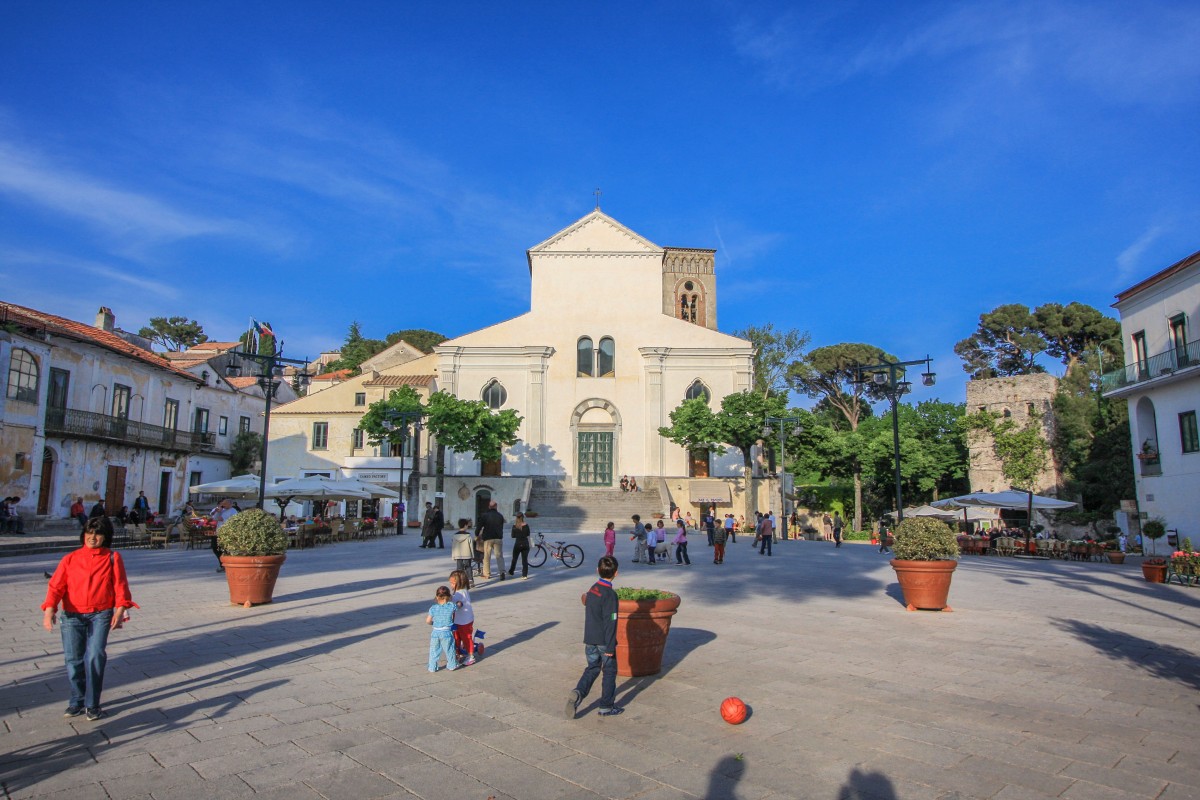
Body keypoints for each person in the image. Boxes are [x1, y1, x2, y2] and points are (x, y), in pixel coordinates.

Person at [41, 516, 138, 721]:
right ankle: (76, 699)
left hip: (100, 614)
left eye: (98, 533)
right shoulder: (71, 558)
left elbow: (120, 585)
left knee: (95, 656)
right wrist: (50, 609)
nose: (92, 537)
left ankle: (92, 703)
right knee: (73, 659)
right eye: (89, 533)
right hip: (72, 615)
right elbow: (56, 585)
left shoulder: (112, 557)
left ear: (105, 537)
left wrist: (120, 610)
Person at [566, 555, 622, 718]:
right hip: (604, 640)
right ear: (616, 573)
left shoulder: (593, 589)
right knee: (609, 671)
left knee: (592, 668)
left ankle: (579, 692)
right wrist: (611, 646)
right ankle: (606, 706)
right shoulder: (610, 594)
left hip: (590, 638)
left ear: (597, 570)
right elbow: (611, 620)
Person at [425, 585, 459, 672]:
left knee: (434, 650)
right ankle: (452, 665)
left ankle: (432, 667)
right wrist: (459, 603)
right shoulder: (451, 606)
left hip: (435, 632)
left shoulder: (433, 608)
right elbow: (458, 606)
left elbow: (428, 621)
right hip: (446, 633)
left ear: (437, 597)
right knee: (449, 649)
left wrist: (433, 623)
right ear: (449, 597)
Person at [448, 570, 477, 665]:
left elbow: (459, 604)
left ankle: (471, 655)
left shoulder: (460, 593)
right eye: (450, 583)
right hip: (459, 620)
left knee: (466, 637)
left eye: (453, 583)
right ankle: (458, 653)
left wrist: (451, 603)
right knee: (456, 636)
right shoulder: (461, 591)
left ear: (459, 582)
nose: (451, 585)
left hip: (464, 621)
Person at [476, 501, 506, 581]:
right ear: (496, 506)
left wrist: (476, 534)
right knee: (499, 556)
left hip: (488, 538)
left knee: (486, 557)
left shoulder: (485, 516)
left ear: (489, 507)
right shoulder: (500, 516)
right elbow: (501, 527)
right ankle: (502, 572)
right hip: (498, 538)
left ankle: (487, 574)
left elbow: (479, 526)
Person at [210, 499, 238, 572]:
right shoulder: (222, 510)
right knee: (215, 547)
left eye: (225, 504)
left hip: (227, 532)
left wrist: (222, 518)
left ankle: (225, 565)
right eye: (222, 503)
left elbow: (233, 521)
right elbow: (215, 518)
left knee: (224, 549)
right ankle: (222, 563)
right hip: (218, 532)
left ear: (230, 504)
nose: (223, 505)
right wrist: (217, 512)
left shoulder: (233, 511)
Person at [451, 519, 475, 588]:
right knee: (468, 567)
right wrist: (472, 555)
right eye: (467, 525)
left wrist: (453, 556)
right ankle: (470, 580)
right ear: (465, 525)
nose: (467, 526)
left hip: (458, 555)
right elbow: (471, 546)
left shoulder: (455, 536)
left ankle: (459, 582)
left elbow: (453, 546)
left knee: (459, 569)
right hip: (467, 555)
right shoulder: (468, 535)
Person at [508, 513, 532, 579]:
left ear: (516, 518)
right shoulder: (526, 525)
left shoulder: (514, 526)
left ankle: (511, 571)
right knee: (525, 560)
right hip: (525, 543)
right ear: (523, 517)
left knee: (514, 558)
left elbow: (513, 536)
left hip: (518, 543)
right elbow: (528, 534)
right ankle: (524, 575)